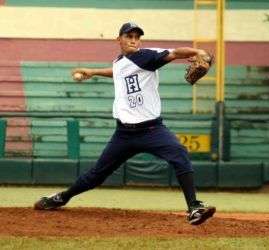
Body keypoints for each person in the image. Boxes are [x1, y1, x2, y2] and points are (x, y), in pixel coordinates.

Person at [34, 22, 215, 226]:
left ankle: (194, 207)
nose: (133, 40)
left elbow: (173, 53)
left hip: (152, 130)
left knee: (179, 154)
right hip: (124, 134)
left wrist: (198, 51)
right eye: (129, 36)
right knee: (96, 176)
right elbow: (117, 72)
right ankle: (61, 198)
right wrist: (93, 72)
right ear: (118, 39)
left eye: (137, 37)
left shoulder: (146, 56)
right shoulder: (120, 61)